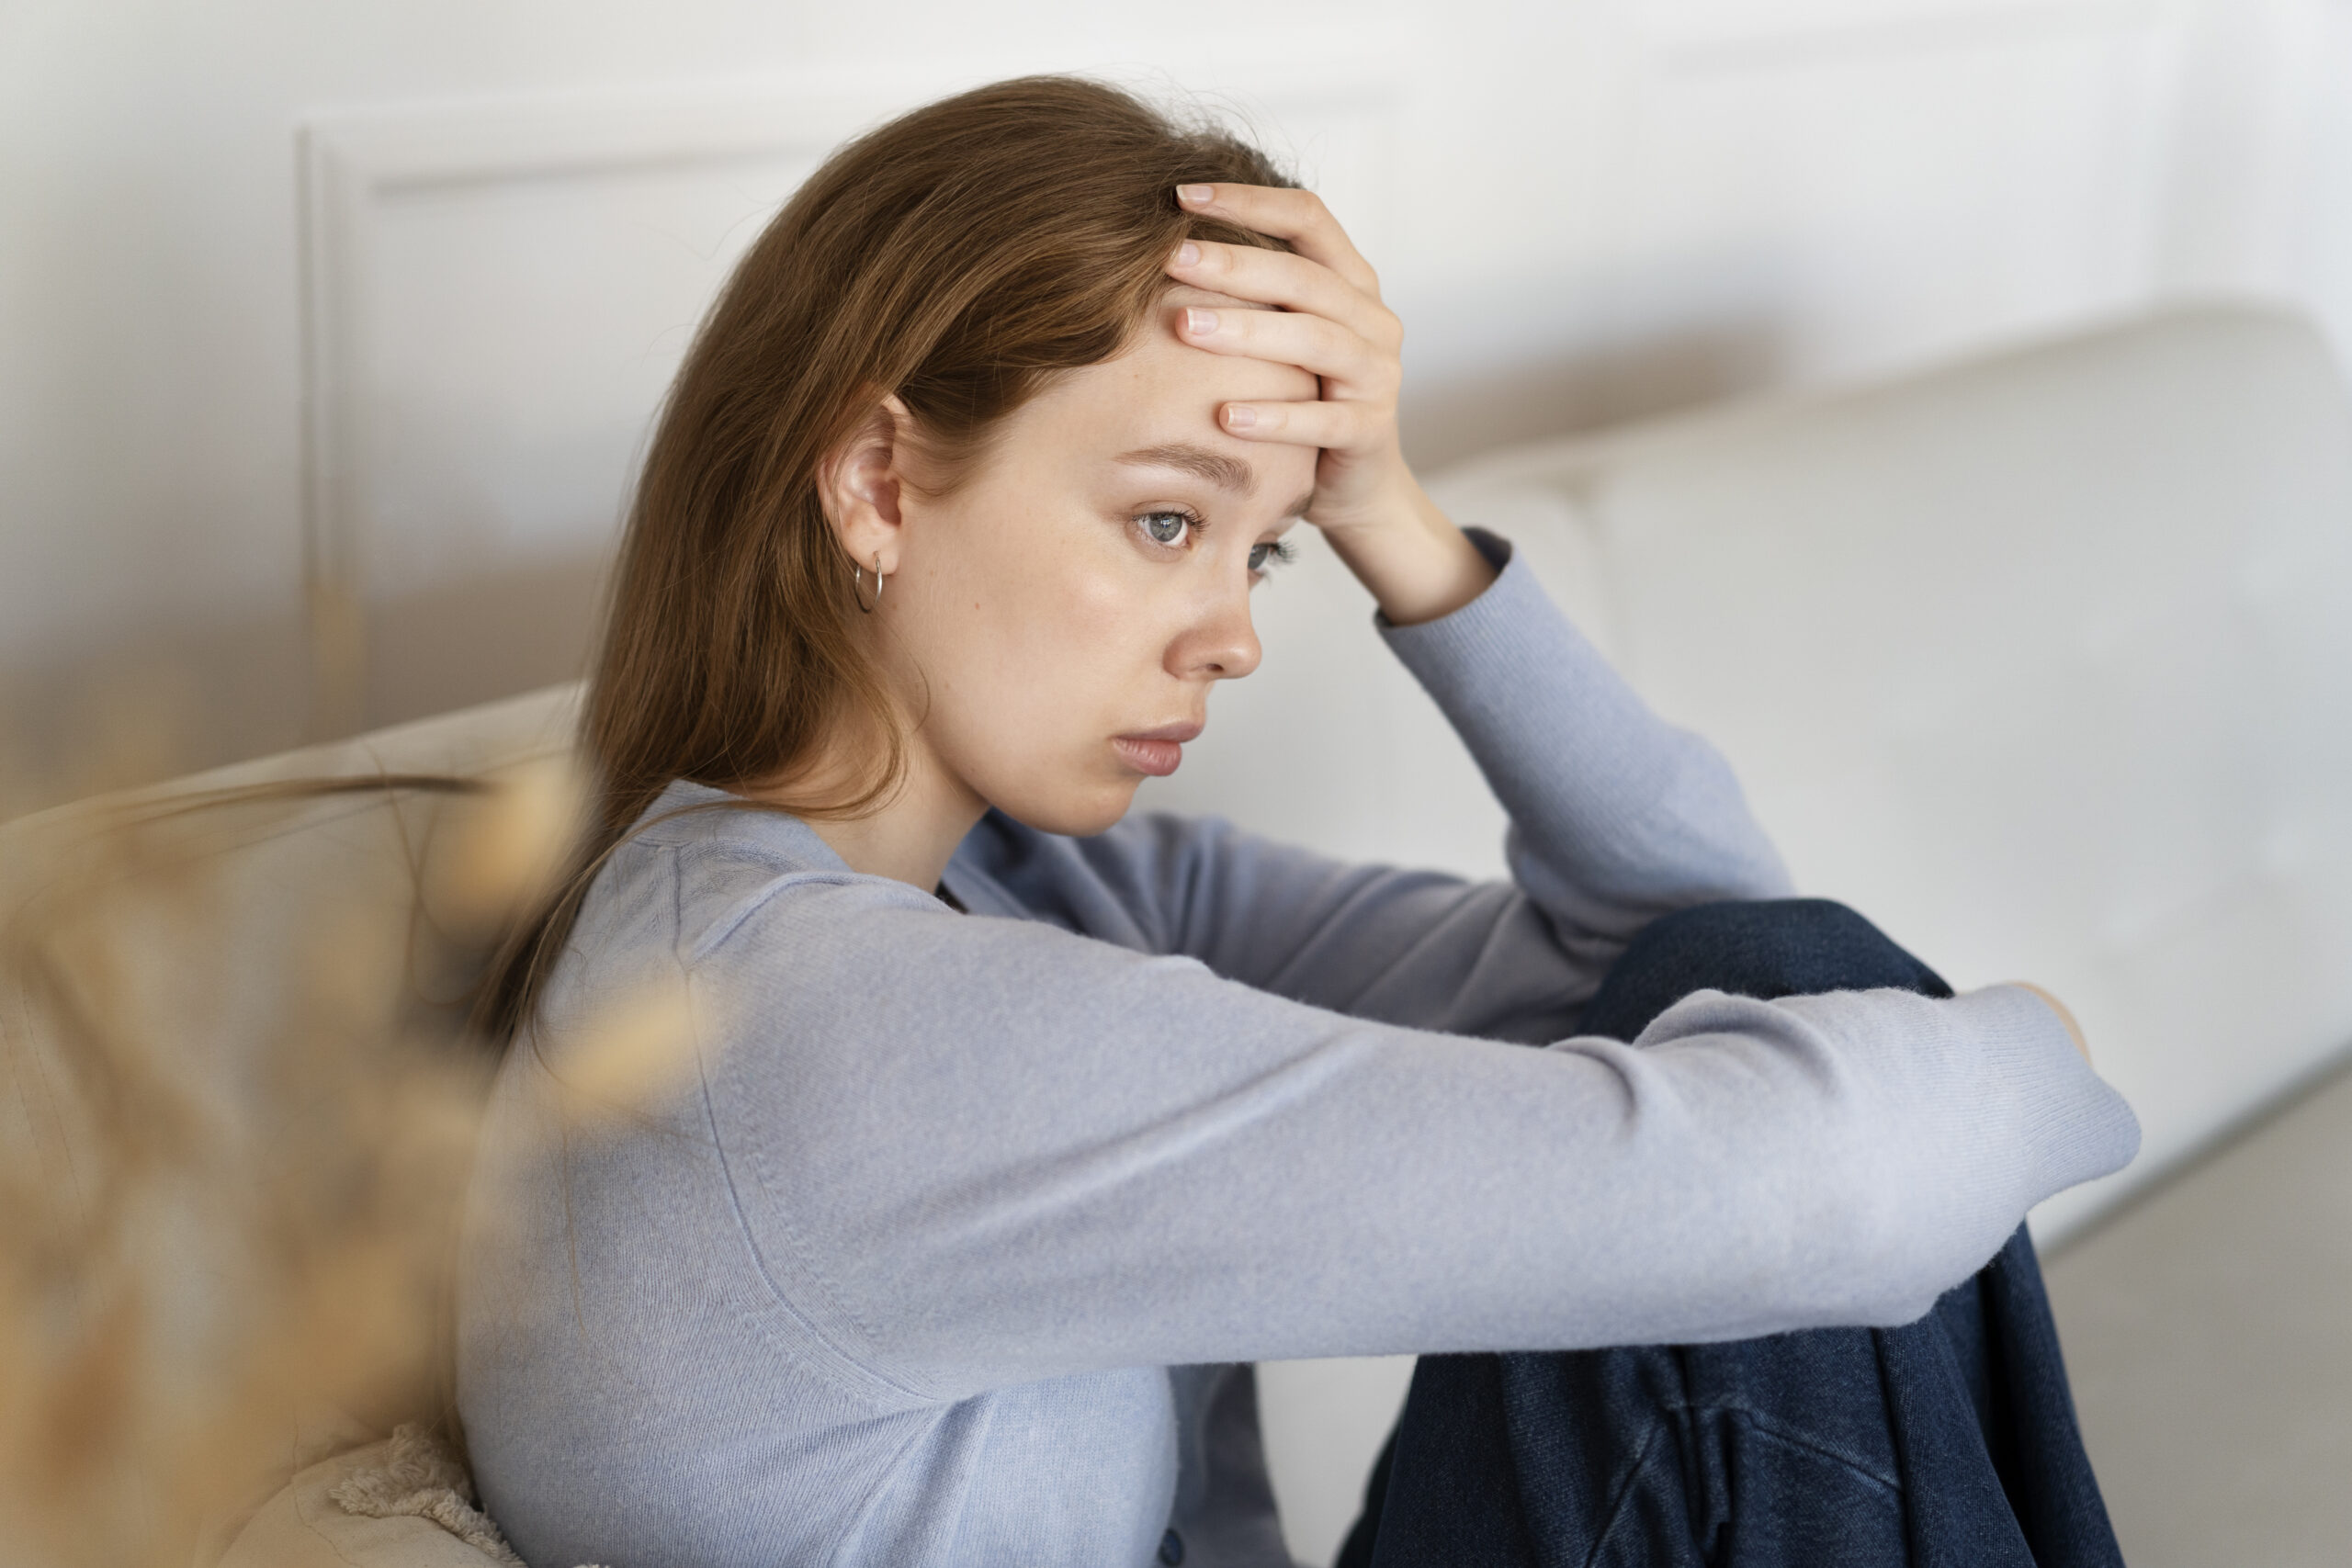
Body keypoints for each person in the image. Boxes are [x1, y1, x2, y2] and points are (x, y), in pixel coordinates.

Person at [454, 76, 2139, 1568]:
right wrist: (2047, 1046)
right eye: (1165, 517)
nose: (1234, 635)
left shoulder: (1048, 885)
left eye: (1257, 550)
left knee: (1782, 971)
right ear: (878, 483)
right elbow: (1816, 1194)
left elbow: (1696, 932)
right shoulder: (801, 1030)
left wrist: (1387, 510)